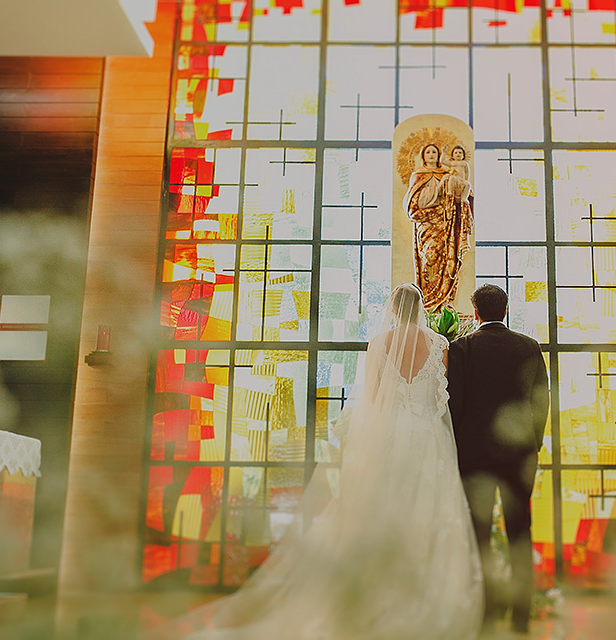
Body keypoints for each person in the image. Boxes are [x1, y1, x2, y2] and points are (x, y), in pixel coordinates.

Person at [150, 284, 483, 640]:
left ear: (393, 310)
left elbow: (371, 398)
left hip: (389, 434)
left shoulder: (379, 343)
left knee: (378, 510)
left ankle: (370, 595)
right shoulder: (439, 345)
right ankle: (424, 596)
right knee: (428, 511)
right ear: (419, 309)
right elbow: (440, 395)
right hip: (428, 434)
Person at [447, 284, 550, 635]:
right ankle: (522, 616)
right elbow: (541, 401)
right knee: (520, 531)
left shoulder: (462, 348)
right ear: (505, 311)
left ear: (476, 313)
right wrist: (533, 444)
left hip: (473, 455)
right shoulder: (529, 346)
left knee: (479, 535)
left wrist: (457, 447)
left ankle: (486, 610)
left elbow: (454, 402)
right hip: (519, 456)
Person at [403, 143, 473, 311]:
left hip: (445, 223)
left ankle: (443, 302)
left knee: (447, 260)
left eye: (434, 151)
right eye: (428, 152)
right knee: (428, 257)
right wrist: (437, 191)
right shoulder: (418, 176)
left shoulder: (447, 174)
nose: (432, 155)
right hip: (426, 224)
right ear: (423, 155)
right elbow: (414, 203)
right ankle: (427, 302)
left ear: (439, 155)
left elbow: (462, 194)